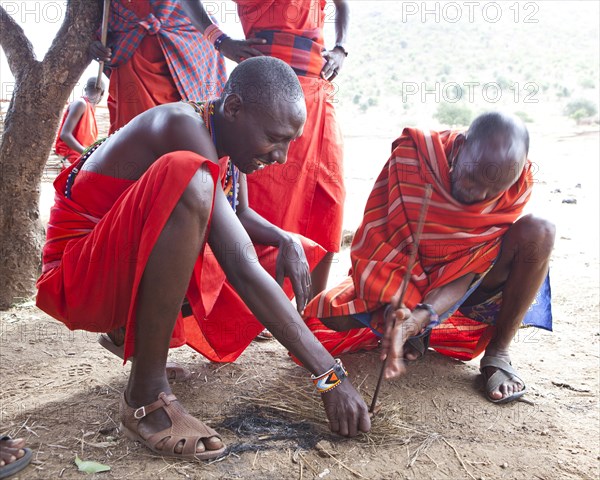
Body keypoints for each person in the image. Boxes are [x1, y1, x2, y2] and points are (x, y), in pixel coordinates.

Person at [36, 57, 371, 460]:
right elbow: (240, 264)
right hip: (74, 277)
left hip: (111, 263)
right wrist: (329, 375)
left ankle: (130, 329)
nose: (281, 156)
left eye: (289, 143)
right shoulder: (183, 127)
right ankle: (145, 395)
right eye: (274, 139)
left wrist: (285, 238)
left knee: (288, 242)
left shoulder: (220, 134)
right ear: (233, 108)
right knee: (193, 183)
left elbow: (240, 213)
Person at [302, 112, 556, 404]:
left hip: (474, 282)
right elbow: (384, 242)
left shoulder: (517, 181)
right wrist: (399, 310)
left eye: (491, 192)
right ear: (460, 146)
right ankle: (418, 332)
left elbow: (469, 267)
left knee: (540, 230)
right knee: (331, 318)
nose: (478, 196)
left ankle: (498, 352)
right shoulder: (414, 158)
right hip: (408, 277)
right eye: (472, 180)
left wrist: (415, 321)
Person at [181, 0, 350, 298]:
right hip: (264, 101)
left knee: (328, 201)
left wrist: (341, 47)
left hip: (316, 91)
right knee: (261, 201)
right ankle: (246, 305)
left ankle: (309, 309)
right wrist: (220, 41)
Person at [90, 0, 227, 134]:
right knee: (137, 139)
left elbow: (206, 35)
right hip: (134, 71)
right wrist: (98, 46)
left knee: (189, 136)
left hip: (184, 66)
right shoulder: (112, 7)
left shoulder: (196, 25)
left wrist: (221, 41)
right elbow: (105, 31)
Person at [54, 77, 104, 170]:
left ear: (85, 89)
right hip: (69, 157)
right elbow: (65, 134)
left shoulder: (89, 108)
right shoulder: (80, 104)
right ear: (102, 94)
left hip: (80, 157)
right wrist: (87, 152)